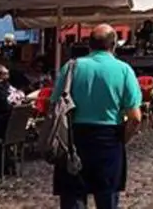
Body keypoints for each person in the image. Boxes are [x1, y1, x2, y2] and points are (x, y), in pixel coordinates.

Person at [52, 24, 143, 209]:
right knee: (107, 198)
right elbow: (135, 118)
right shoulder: (124, 70)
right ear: (114, 44)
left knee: (73, 197)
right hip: (108, 139)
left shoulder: (71, 67)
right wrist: (123, 139)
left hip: (73, 139)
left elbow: (54, 105)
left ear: (89, 44)